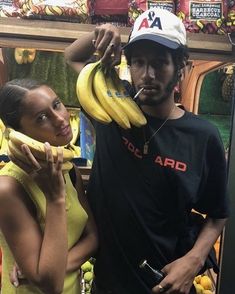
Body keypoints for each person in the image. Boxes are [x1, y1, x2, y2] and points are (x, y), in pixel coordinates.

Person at [64, 8, 229, 294]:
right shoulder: (111, 107)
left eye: (159, 63)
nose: (147, 74)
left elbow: (218, 214)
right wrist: (100, 34)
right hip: (107, 282)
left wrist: (193, 260)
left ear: (181, 66)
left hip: (165, 282)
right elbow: (73, 57)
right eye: (138, 62)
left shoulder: (202, 137)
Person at [0, 79, 98, 294]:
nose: (60, 119)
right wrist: (55, 199)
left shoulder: (69, 170)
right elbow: (50, 285)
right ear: (18, 132)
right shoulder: (9, 187)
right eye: (41, 117)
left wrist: (54, 267)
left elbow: (92, 238)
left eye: (56, 104)